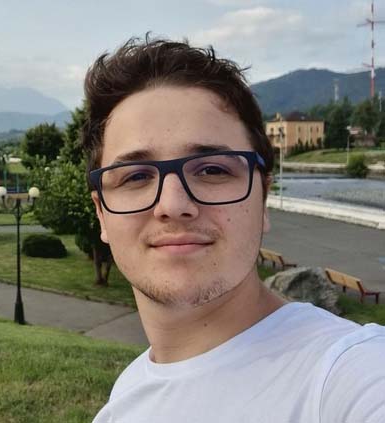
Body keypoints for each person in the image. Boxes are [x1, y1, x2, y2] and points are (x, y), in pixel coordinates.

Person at [83, 36, 385, 423]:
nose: (173, 205)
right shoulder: (122, 401)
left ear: (263, 199)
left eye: (212, 170)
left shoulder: (345, 374)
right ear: (102, 214)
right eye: (136, 176)